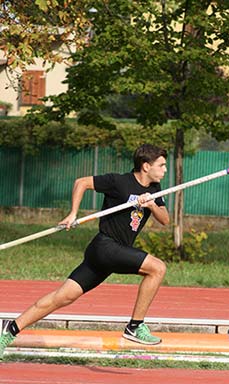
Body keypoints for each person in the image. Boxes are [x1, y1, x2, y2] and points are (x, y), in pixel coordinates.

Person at [0, 143, 170, 358]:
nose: (165, 170)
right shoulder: (119, 181)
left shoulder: (155, 190)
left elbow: (165, 220)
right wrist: (73, 213)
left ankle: (9, 329)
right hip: (106, 246)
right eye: (161, 165)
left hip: (111, 253)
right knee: (157, 268)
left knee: (62, 297)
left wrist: (152, 205)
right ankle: (135, 326)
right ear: (146, 166)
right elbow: (82, 182)